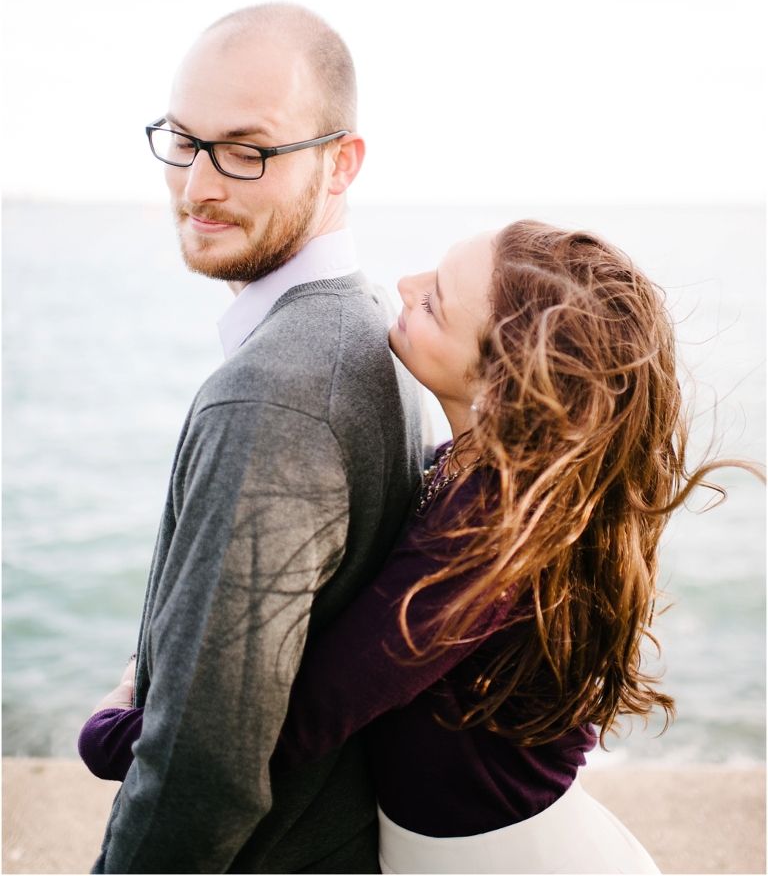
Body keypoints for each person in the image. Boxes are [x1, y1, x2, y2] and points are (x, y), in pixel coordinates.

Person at [83, 219, 763, 873]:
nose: (403, 285)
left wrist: (114, 726)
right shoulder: (475, 471)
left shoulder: (488, 545)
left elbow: (291, 727)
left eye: (435, 301)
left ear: (502, 386)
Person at [86, 2, 425, 874]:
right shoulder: (373, 328)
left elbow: (204, 774)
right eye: (183, 140)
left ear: (341, 163)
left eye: (247, 150)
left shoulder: (272, 399)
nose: (199, 185)